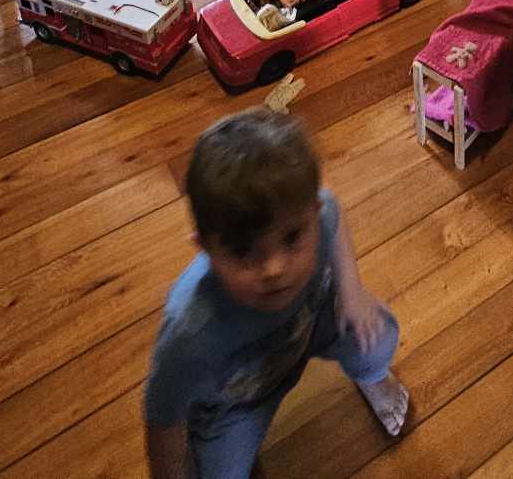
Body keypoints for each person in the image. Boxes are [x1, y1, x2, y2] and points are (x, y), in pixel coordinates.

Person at [143, 110, 409, 479]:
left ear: (311, 213)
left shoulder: (315, 214)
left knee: (377, 331)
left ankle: (372, 376)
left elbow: (332, 213)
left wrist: (352, 292)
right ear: (204, 248)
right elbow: (162, 417)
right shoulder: (189, 333)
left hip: (310, 322)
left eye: (291, 238)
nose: (274, 269)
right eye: (242, 250)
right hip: (238, 402)